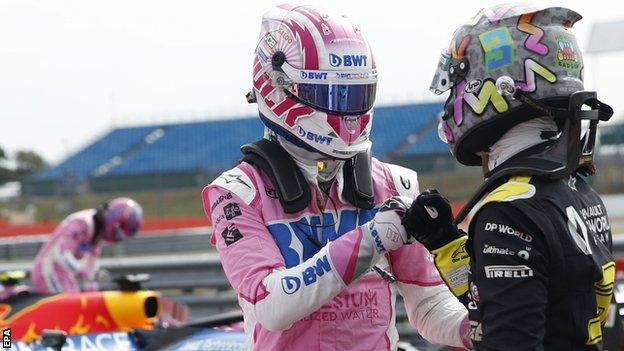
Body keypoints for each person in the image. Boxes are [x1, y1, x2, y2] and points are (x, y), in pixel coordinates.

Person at [201, 4, 470, 350]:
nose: (346, 111)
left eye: (355, 95)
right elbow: (271, 306)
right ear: (278, 87)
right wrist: (371, 239)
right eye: (330, 95)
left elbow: (431, 306)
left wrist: (476, 330)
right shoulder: (235, 194)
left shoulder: (392, 183)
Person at [403, 4, 614, 350]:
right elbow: (528, 303)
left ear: (499, 87)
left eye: (458, 80)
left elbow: (508, 337)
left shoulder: (509, 211)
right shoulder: (579, 190)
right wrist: (447, 247)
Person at [31, 197, 143, 294]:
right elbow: (63, 256)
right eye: (121, 231)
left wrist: (93, 292)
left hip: (65, 275)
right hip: (47, 272)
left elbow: (91, 267)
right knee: (68, 310)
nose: (119, 237)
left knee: (77, 305)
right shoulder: (81, 223)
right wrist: (88, 274)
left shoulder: (98, 234)